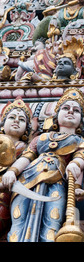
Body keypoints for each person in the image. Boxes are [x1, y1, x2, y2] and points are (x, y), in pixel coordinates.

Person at [1, 88, 84, 242]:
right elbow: (27, 156)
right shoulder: (42, 138)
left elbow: (81, 159)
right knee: (19, 222)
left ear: (80, 121)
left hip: (56, 184)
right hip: (26, 181)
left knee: (52, 223)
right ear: (56, 117)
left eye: (76, 111)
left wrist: (76, 174)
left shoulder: (81, 142)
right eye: (66, 108)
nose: (70, 111)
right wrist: (12, 172)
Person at [0, 98, 33, 236]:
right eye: (12, 117)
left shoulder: (26, 149)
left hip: (6, 192)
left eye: (21, 120)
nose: (16, 121)